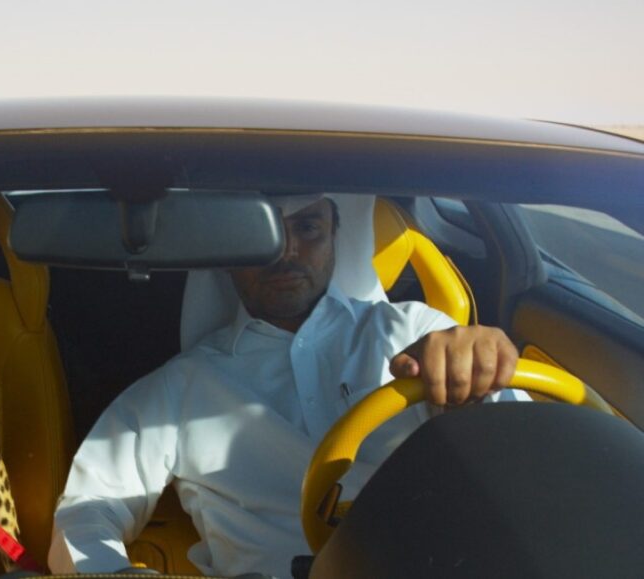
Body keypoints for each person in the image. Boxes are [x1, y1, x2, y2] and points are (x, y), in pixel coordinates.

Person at [48, 194, 523, 578]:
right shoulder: (182, 385)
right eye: (260, 235)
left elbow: (524, 462)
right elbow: (88, 508)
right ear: (226, 253)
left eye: (308, 228)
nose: (286, 253)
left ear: (337, 232)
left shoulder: (414, 333)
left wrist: (481, 372)